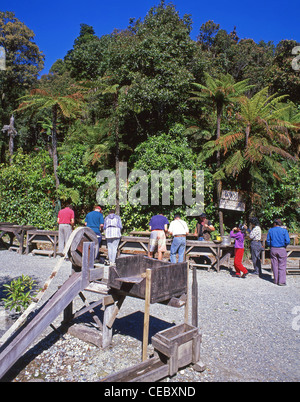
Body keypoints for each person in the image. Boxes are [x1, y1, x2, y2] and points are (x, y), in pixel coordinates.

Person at [266, 218, 290, 286]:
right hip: (282, 249)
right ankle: (281, 281)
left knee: (274, 264)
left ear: (275, 223)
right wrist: (284, 245)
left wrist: (271, 246)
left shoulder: (270, 230)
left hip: (273, 249)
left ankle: (275, 280)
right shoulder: (284, 231)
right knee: (282, 265)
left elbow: (268, 241)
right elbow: (288, 241)